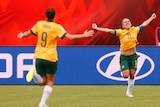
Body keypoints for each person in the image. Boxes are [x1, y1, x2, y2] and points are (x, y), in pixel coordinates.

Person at [17, 8, 94, 107]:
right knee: (50, 81)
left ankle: (35, 75)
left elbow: (28, 33)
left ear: (46, 15)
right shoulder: (57, 27)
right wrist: (84, 35)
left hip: (39, 56)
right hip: (50, 57)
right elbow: (70, 37)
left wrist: (22, 35)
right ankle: (42, 103)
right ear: (55, 16)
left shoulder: (39, 24)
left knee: (43, 82)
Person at [92, 13, 156, 97]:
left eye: (128, 21)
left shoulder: (135, 29)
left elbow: (144, 24)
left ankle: (129, 92)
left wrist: (151, 18)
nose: (127, 22)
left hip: (133, 56)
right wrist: (97, 28)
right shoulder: (120, 32)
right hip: (124, 57)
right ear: (122, 25)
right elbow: (109, 30)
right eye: (125, 22)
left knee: (132, 75)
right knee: (126, 76)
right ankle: (122, 69)